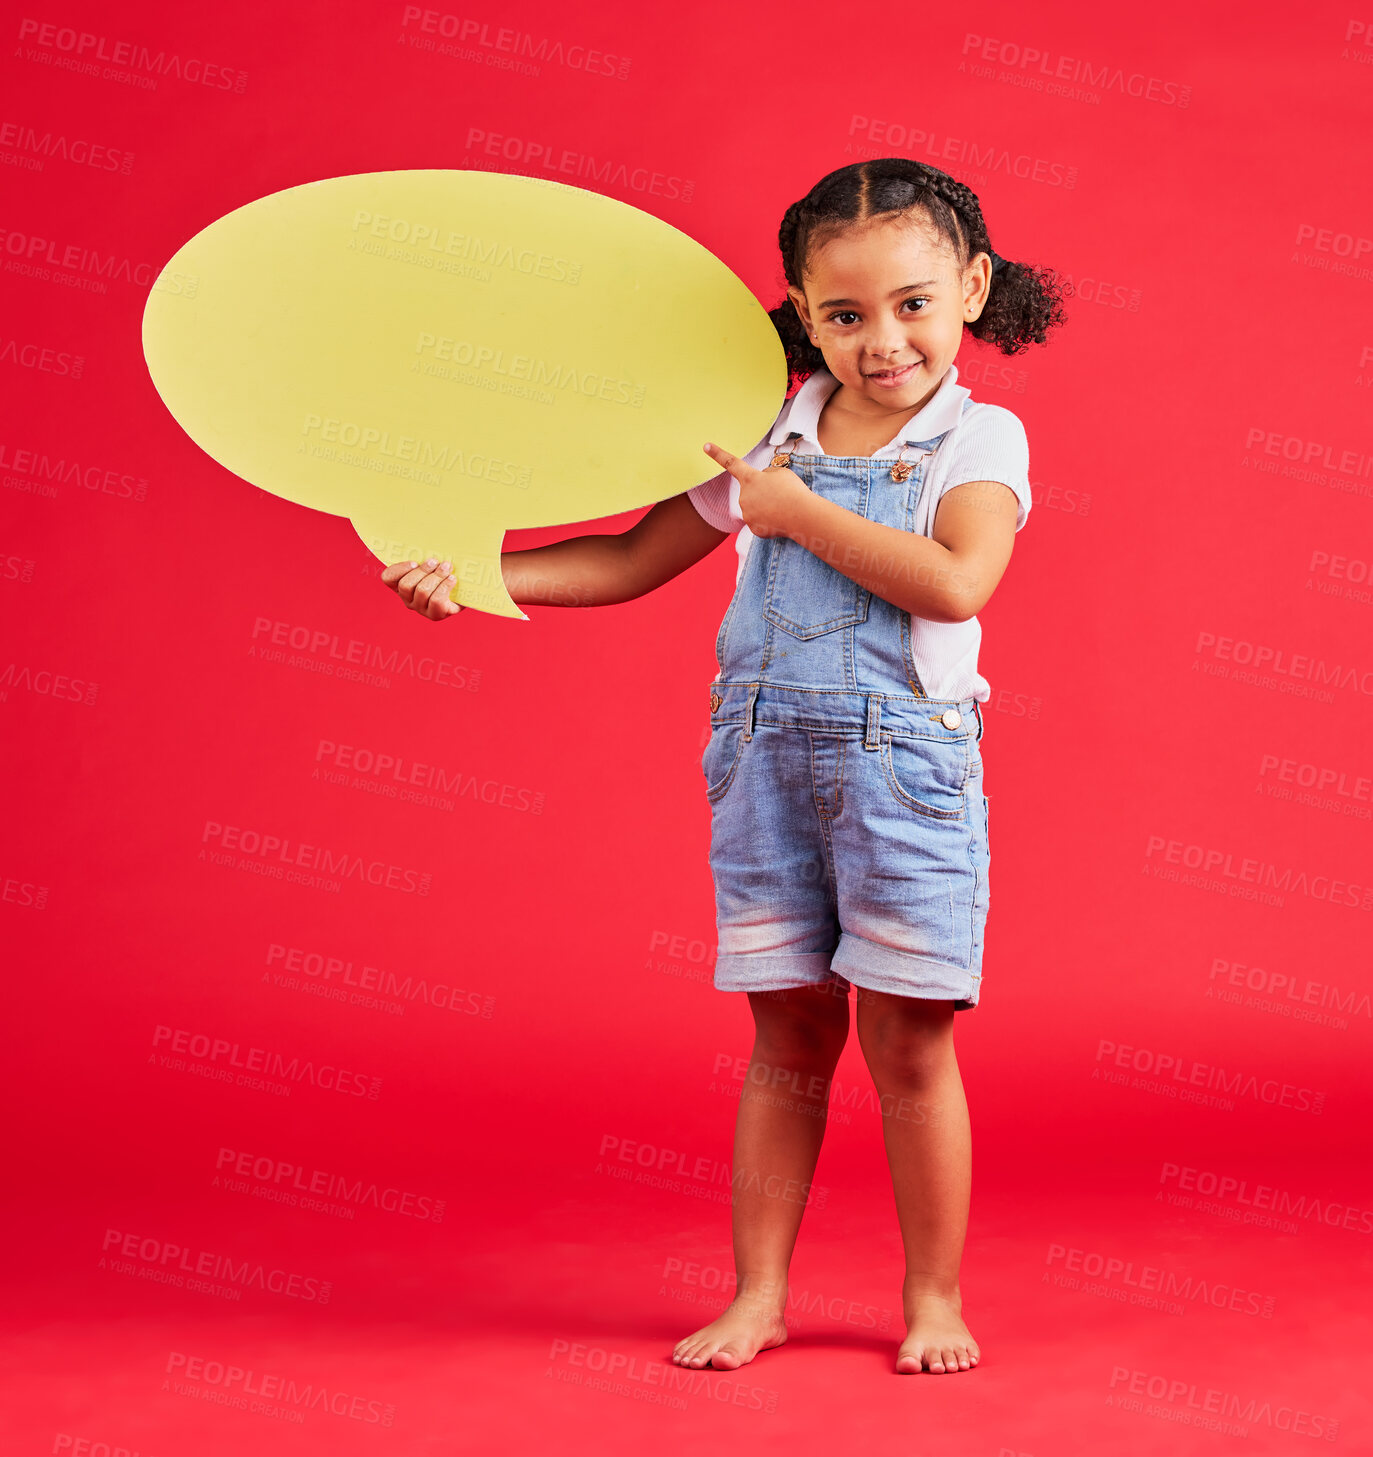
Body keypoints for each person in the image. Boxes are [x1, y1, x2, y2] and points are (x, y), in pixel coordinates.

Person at [381, 157, 1069, 1375]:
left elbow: (958, 580)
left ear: (971, 287)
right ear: (799, 310)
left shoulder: (979, 435)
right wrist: (478, 575)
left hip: (902, 770)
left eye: (912, 304)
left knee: (907, 1041)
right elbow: (632, 557)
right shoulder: (769, 429)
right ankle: (758, 1292)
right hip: (762, 764)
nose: (882, 340)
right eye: (843, 315)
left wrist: (796, 513)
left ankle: (931, 1295)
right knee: (785, 1035)